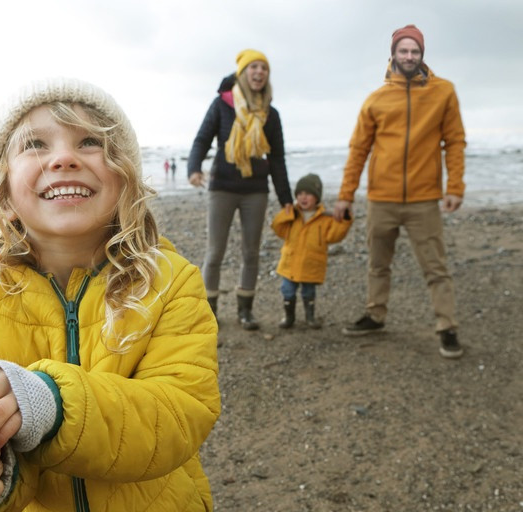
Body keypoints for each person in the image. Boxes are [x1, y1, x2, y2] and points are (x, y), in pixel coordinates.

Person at [0, 78, 221, 512]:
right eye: (35, 145)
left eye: (90, 142)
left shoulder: (171, 283)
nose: (64, 158)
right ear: (4, 192)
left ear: (125, 180)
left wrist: (52, 402)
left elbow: (181, 415)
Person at [333, 24, 466, 358]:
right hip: (382, 199)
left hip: (424, 199)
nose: (409, 56)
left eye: (415, 51)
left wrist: (455, 186)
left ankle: (447, 326)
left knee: (436, 267)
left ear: (422, 55)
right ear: (393, 54)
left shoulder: (443, 92)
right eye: (403, 50)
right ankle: (375, 314)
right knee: (378, 263)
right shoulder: (376, 100)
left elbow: (455, 142)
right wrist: (346, 194)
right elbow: (358, 150)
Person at [188, 49, 293, 330]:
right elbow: (202, 139)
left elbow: (277, 159)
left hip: (256, 191)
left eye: (264, 68)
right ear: (243, 73)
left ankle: (245, 310)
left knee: (251, 253)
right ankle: (209, 311)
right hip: (222, 187)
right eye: (253, 67)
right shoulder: (222, 104)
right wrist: (194, 168)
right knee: (215, 252)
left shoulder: (271, 114)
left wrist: (286, 198)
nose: (259, 72)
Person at [271, 174, 352, 329]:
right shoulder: (293, 216)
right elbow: (277, 227)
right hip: (290, 263)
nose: (303, 197)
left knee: (309, 292)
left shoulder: (325, 218)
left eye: (308, 194)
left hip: (311, 264)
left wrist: (345, 220)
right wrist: (286, 213)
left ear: (317, 197)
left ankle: (310, 317)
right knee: (287, 290)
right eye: (300, 194)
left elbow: (335, 235)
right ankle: (289, 317)